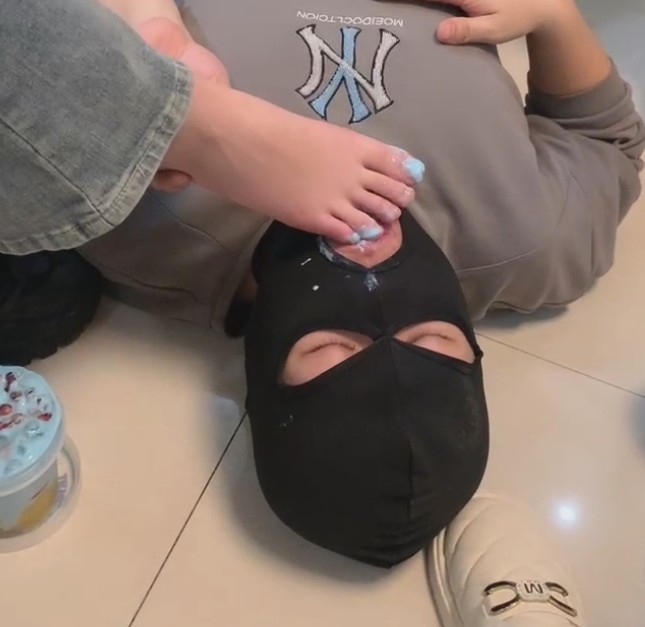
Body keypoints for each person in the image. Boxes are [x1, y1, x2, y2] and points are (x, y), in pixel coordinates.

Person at [18, 0, 645, 567]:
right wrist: (553, 16)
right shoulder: (530, 241)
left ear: (259, 374)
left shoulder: (140, 229)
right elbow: (608, 138)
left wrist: (171, 95)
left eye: (329, 347)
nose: (370, 281)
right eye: (432, 339)